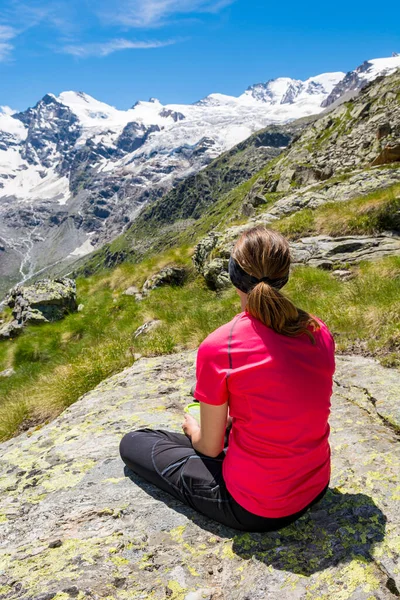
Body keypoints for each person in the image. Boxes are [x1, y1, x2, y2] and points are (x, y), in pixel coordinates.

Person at [119, 226, 335, 532]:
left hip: (257, 507)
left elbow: (209, 449)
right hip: (315, 483)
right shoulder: (317, 329)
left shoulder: (221, 346)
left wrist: (196, 431)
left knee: (136, 441)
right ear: (284, 276)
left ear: (234, 276)